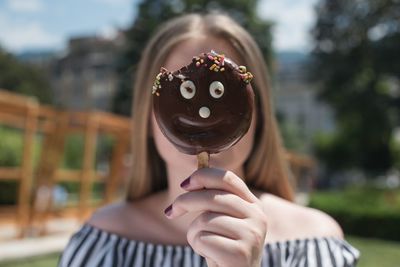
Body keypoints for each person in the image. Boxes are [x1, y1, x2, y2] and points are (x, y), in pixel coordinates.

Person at [58, 12, 359, 267]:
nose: (203, 114)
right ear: (147, 118)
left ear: (258, 116)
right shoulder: (103, 243)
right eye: (183, 92)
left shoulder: (314, 243)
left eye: (223, 93)